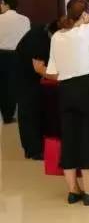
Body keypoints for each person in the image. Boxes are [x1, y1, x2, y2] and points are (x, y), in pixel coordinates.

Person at [45, 0, 89, 206]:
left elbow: (52, 71)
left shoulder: (57, 36)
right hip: (86, 88)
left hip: (65, 90)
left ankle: (73, 190)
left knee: (70, 138)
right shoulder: (88, 30)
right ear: (85, 15)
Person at [14, 20, 59, 159]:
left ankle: (38, 146)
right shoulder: (37, 39)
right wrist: (59, 77)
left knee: (38, 109)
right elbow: (38, 68)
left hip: (34, 77)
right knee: (29, 111)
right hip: (25, 76)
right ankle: (33, 150)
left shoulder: (45, 32)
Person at [0, 0, 31, 123]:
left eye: (1, 3)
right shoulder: (25, 19)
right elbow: (27, 38)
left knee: (3, 85)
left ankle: (6, 115)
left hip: (2, 55)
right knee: (16, 84)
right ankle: (17, 113)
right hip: (19, 55)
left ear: (6, 4)